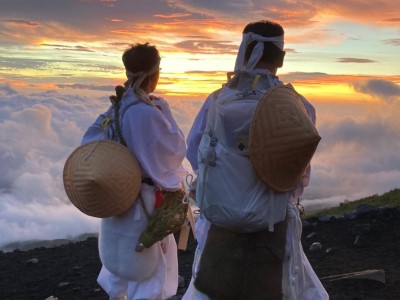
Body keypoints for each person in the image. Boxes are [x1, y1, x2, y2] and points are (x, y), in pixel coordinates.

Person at [183, 21, 329, 299]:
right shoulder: (298, 106)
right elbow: (299, 172)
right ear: (282, 58)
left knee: (212, 285)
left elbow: (194, 151)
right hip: (273, 220)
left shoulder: (217, 101)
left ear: (244, 49)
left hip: (221, 220)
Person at [87, 43, 187, 300]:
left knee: (122, 260)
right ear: (154, 73)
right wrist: (166, 114)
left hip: (118, 195)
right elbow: (173, 151)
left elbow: (91, 144)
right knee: (147, 269)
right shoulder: (145, 112)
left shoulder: (117, 107)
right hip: (143, 199)